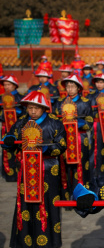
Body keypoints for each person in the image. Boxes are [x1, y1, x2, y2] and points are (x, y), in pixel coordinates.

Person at [3, 91, 67, 248]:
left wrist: (43, 149)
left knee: (48, 203)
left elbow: (62, 145)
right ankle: (25, 240)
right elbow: (8, 140)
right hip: (27, 169)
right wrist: (8, 142)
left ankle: (50, 241)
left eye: (36, 108)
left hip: (48, 170)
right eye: (29, 108)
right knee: (26, 205)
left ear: (44, 108)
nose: (32, 111)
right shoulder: (20, 123)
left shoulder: (54, 123)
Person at [53, 74, 94, 198]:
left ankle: (81, 195)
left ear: (78, 88)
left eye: (73, 86)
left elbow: (89, 123)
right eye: (68, 86)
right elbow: (54, 121)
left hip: (79, 139)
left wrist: (76, 122)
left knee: (80, 166)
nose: (70, 89)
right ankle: (66, 195)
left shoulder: (85, 102)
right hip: (64, 139)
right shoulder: (59, 103)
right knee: (64, 167)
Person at [0, 75, 24, 182]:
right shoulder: (1, 97)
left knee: (18, 149)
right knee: (6, 148)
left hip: (18, 128)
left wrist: (15, 111)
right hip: (5, 128)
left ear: (15, 85)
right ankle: (8, 173)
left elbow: (24, 112)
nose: (6, 87)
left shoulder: (20, 97)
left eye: (9, 84)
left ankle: (19, 171)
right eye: (5, 85)